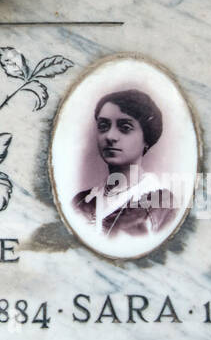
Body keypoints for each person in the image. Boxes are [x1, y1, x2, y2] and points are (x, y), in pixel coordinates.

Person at [72, 89, 176, 237]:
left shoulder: (161, 207)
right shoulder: (80, 201)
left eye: (125, 128)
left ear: (147, 138)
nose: (110, 136)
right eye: (103, 126)